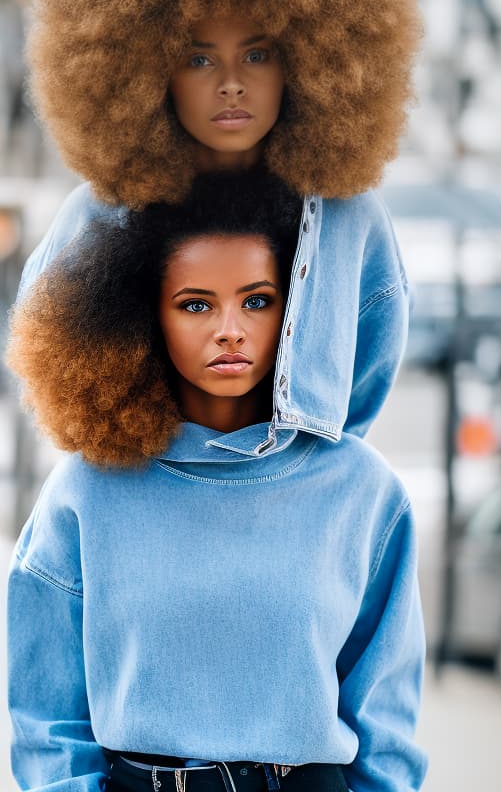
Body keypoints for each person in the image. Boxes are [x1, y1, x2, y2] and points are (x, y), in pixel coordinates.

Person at [7, 168, 427, 792]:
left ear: (294, 310)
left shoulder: (364, 493)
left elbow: (386, 729)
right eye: (196, 304)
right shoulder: (86, 492)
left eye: (257, 300)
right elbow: (46, 722)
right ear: (145, 316)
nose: (230, 328)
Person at [18, 0, 421, 445]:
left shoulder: (347, 220)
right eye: (199, 60)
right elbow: (52, 362)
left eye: (257, 54)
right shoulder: (101, 216)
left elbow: (364, 386)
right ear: (150, 72)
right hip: (149, 495)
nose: (232, 85)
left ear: (306, 62)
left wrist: (313, 477)